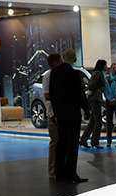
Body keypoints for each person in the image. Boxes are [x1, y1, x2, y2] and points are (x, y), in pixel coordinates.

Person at [49, 48, 89, 183]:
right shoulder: (74, 74)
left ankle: (59, 175)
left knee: (61, 144)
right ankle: (71, 175)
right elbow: (80, 95)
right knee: (72, 146)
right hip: (73, 115)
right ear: (74, 59)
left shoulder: (54, 73)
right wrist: (87, 110)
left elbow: (52, 95)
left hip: (61, 115)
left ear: (63, 57)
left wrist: (56, 112)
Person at [42, 53, 62, 180]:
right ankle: (52, 171)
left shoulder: (58, 75)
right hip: (53, 114)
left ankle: (58, 170)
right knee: (55, 143)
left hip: (59, 113)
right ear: (55, 62)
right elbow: (47, 95)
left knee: (59, 143)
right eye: (60, 60)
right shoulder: (48, 75)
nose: (62, 62)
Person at [80, 59, 107, 148]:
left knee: (92, 122)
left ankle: (83, 140)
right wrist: (98, 89)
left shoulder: (97, 73)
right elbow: (92, 85)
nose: (106, 66)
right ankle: (95, 142)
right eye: (105, 65)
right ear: (102, 65)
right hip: (95, 100)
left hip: (95, 99)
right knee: (98, 122)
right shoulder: (98, 74)